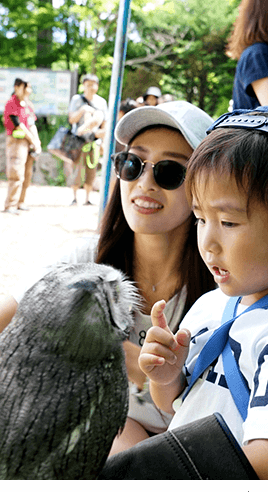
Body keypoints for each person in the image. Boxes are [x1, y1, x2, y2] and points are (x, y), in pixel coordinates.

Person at [137, 106, 268, 480]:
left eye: (229, 222)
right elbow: (176, 409)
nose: (208, 242)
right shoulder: (212, 304)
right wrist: (167, 377)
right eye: (201, 218)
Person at [0, 101, 217, 454]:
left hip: (191, 456)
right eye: (132, 164)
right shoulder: (86, 259)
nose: (144, 183)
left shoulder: (224, 284)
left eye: (169, 171)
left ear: (204, 187)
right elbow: (8, 317)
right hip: (104, 438)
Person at [67, 73, 108, 206]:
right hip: (78, 140)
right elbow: (71, 119)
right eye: (88, 84)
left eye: (93, 84)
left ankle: (87, 198)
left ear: (97, 86)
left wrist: (101, 140)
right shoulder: (76, 100)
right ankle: (74, 197)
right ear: (83, 85)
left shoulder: (101, 102)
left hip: (94, 141)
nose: (90, 87)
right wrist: (83, 110)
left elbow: (104, 124)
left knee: (92, 169)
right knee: (77, 169)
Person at [3, 78, 41, 214]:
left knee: (27, 173)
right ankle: (10, 204)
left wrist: (37, 142)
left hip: (29, 143)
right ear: (18, 87)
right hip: (16, 142)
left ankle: (21, 202)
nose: (29, 90)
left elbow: (31, 124)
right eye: (27, 87)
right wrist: (32, 139)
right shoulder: (11, 103)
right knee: (16, 172)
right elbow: (18, 123)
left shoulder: (28, 105)